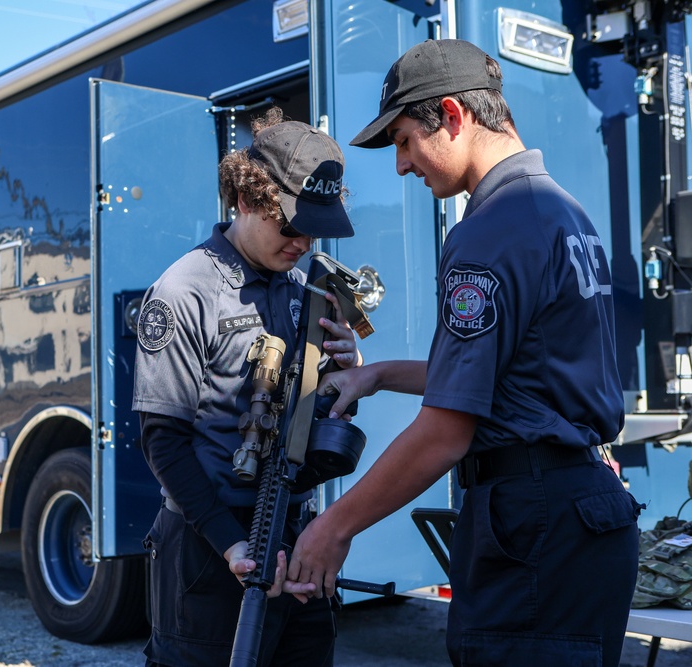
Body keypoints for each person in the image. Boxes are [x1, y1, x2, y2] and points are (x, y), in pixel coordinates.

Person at [286, 40, 642, 667]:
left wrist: (332, 527)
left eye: (402, 140)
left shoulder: (488, 231)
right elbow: (519, 380)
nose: (400, 165)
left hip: (531, 527)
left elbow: (447, 432)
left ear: (452, 115)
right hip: (586, 518)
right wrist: (377, 376)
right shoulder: (564, 213)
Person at [132, 108, 359, 667]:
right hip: (209, 548)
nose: (304, 242)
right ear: (246, 200)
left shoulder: (309, 290)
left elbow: (313, 418)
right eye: (291, 225)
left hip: (294, 537)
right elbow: (162, 442)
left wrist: (346, 373)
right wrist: (231, 542)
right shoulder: (184, 291)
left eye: (315, 227)